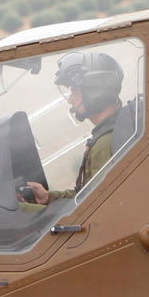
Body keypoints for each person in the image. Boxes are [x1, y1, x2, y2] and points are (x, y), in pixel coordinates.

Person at [22, 51, 126, 204]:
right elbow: (87, 195)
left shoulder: (106, 143)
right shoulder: (118, 129)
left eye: (74, 91)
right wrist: (48, 197)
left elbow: (95, 207)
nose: (70, 100)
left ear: (95, 91)